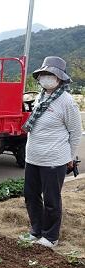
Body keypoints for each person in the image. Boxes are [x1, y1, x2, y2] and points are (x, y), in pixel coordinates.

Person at [20, 56, 82, 248]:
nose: (46, 78)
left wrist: (69, 157)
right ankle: (36, 230)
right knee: (31, 195)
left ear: (60, 78)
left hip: (54, 159)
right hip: (33, 157)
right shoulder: (41, 97)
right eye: (44, 74)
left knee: (52, 199)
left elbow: (75, 132)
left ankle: (51, 235)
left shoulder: (67, 102)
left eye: (51, 74)